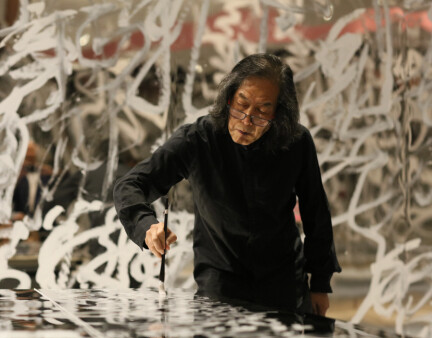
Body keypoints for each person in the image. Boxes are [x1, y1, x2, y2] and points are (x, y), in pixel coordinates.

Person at [113, 53, 341, 316]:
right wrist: (146, 226)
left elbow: (316, 214)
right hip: (219, 288)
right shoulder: (198, 139)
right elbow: (130, 184)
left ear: (278, 113)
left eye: (262, 111)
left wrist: (320, 283)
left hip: (284, 286)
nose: (247, 120)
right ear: (229, 98)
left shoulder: (296, 142)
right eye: (241, 105)